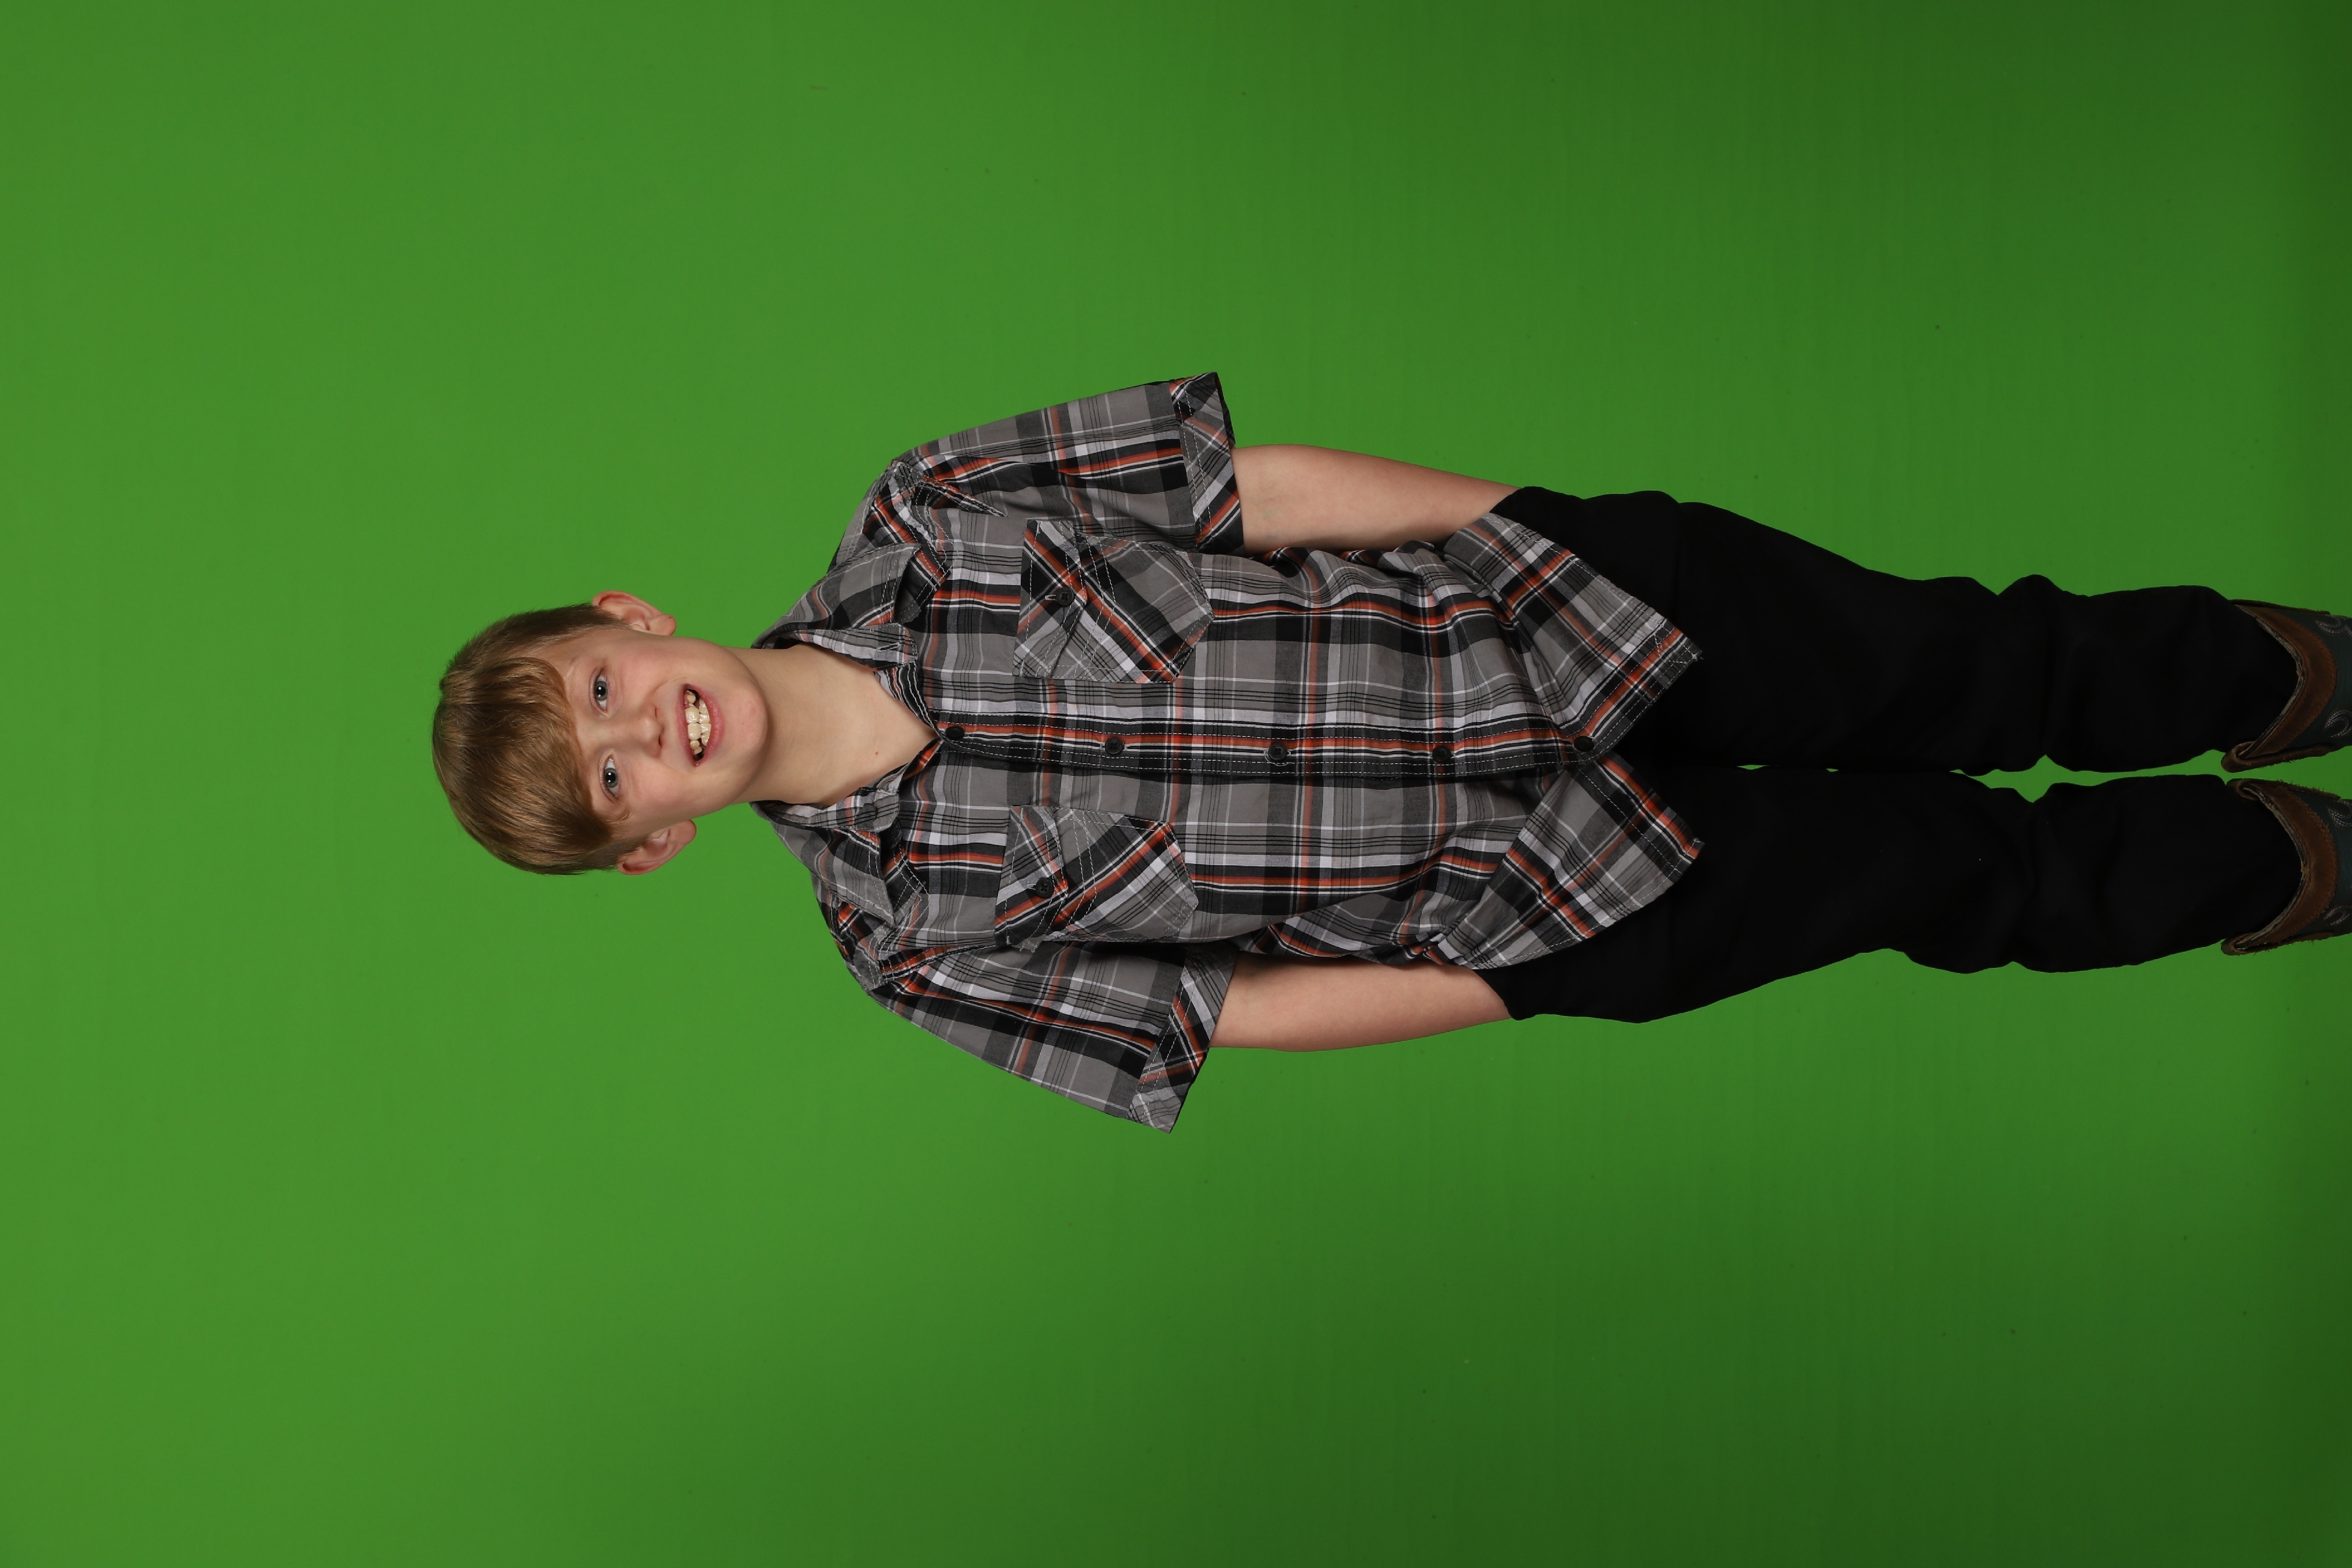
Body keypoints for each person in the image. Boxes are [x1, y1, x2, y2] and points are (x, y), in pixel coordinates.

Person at [430, 375, 2352, 1130]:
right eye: (613, 783)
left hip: (1547, 612)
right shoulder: (909, 948)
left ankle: (2292, 677)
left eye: (600, 692)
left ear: (628, 618)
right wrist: (1512, 981)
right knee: (1952, 878)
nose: (639, 732)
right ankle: (2290, 867)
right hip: (1535, 904)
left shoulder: (931, 506)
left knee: (1962, 665)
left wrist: (1527, 528)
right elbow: (1229, 1013)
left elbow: (1248, 491)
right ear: (652, 845)